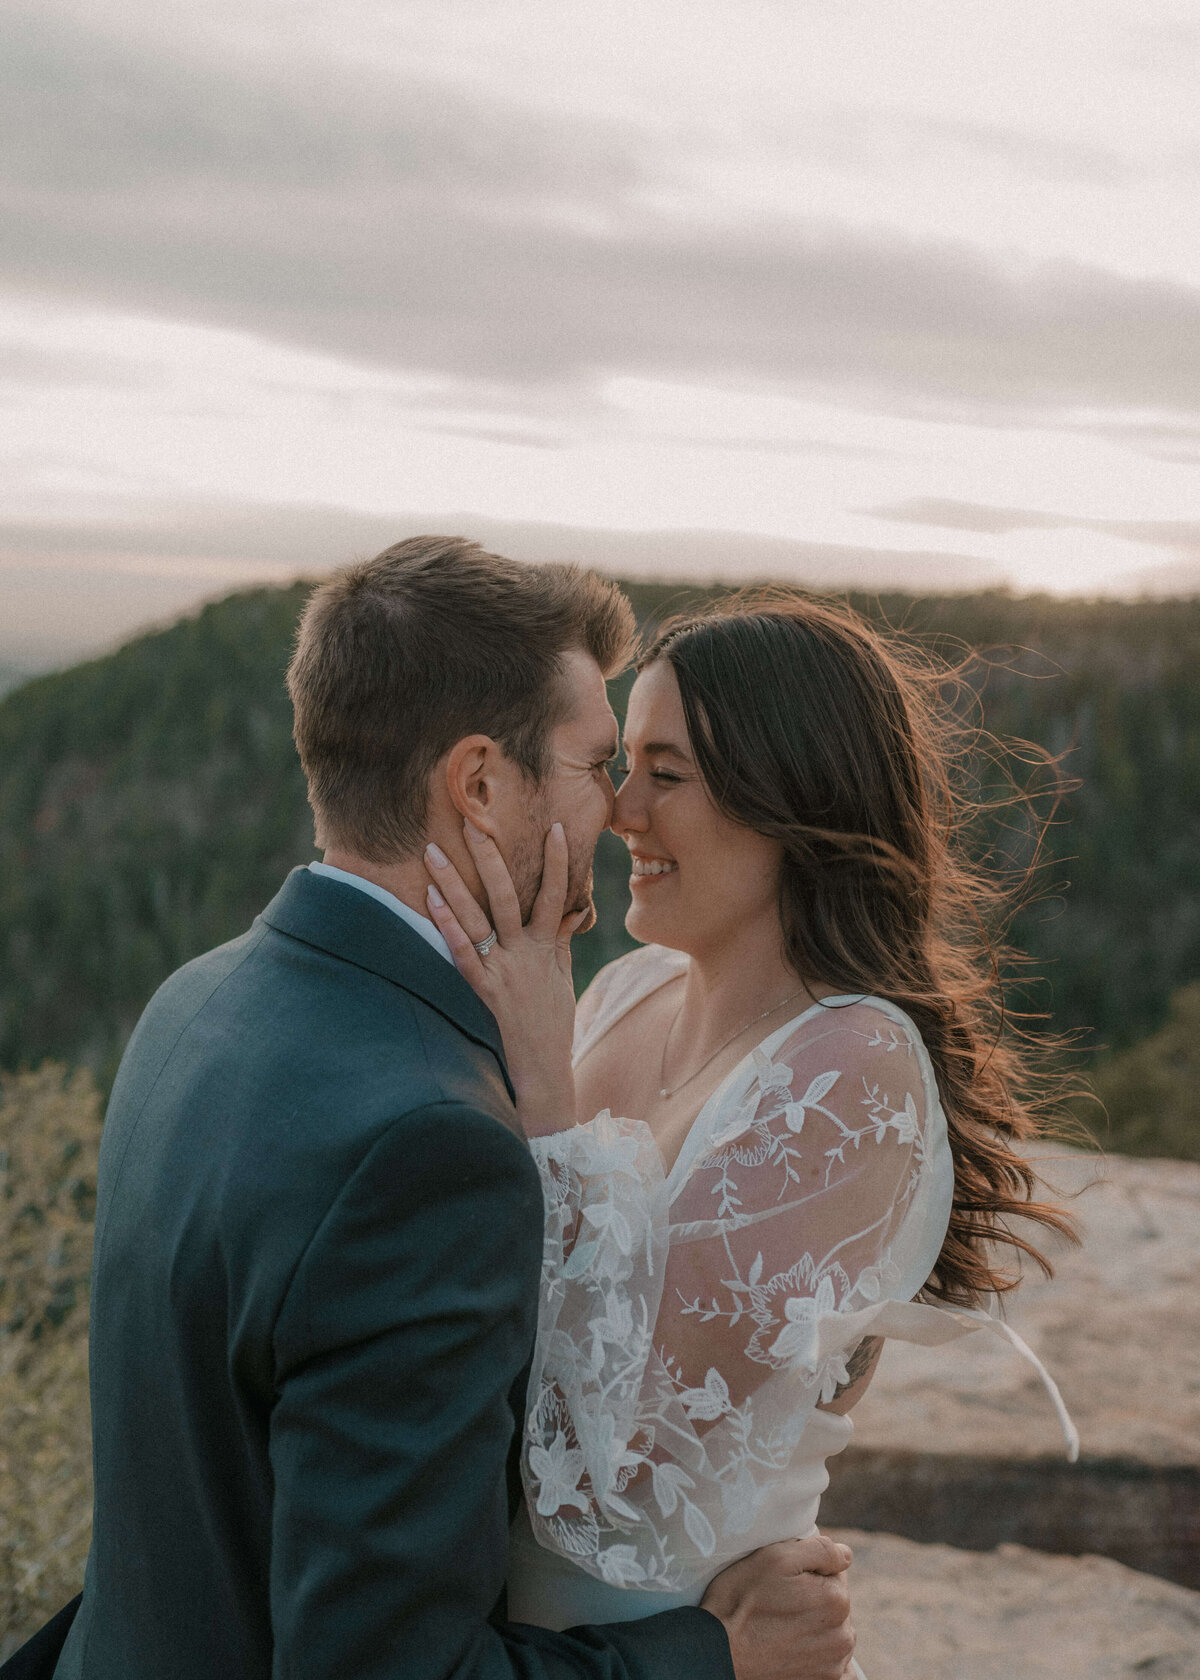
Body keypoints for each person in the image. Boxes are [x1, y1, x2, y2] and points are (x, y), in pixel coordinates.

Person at [7, 539, 856, 1680]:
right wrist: (715, 1652)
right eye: (595, 763)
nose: (618, 811)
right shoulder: (427, 1146)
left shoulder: (195, 1003)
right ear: (479, 784)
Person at [422, 591, 1079, 1653]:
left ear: (792, 795)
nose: (622, 811)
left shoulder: (847, 1072)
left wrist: (541, 1085)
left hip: (693, 1652)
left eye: (666, 774)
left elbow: (613, 1478)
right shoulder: (628, 993)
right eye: (623, 765)